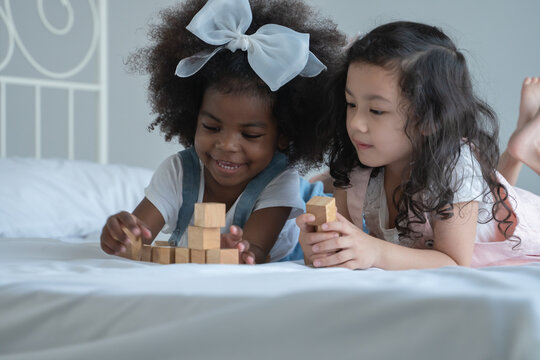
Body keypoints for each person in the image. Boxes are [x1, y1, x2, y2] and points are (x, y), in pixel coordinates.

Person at [100, 0, 345, 264]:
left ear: (283, 135)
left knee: (334, 195)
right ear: (193, 119)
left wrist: (235, 250)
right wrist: (122, 235)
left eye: (250, 135)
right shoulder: (178, 172)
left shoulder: (278, 182)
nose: (227, 144)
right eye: (212, 127)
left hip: (307, 214)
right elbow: (137, 240)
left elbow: (254, 252)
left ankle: (328, 181)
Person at [297, 21, 540, 270]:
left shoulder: (455, 166)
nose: (357, 123)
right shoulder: (356, 164)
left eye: (376, 110)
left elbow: (454, 261)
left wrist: (375, 251)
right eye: (351, 104)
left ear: (429, 120)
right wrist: (319, 246)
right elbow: (340, 248)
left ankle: (523, 145)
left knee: (495, 193)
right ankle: (521, 145)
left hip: (521, 235)